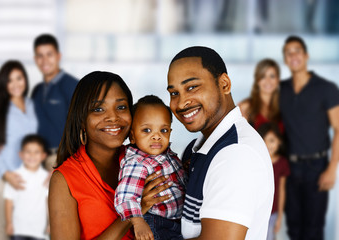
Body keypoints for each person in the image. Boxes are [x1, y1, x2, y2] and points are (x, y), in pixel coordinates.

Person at [48, 71, 172, 240]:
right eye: (98, 109)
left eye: (121, 107)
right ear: (82, 120)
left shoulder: (145, 160)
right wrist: (135, 210)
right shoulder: (64, 180)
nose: (113, 117)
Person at [167, 46, 274, 239]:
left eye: (191, 87)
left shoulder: (236, 153)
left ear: (224, 84)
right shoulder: (197, 149)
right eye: (174, 93)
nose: (181, 103)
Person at [280, 35, 339, 240]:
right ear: (285, 58)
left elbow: (338, 128)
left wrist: (332, 168)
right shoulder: (282, 90)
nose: (293, 55)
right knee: (294, 229)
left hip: (317, 168)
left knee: (313, 231)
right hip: (290, 169)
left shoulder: (326, 88)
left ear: (306, 55)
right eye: (289, 52)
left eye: (297, 51)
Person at [114, 95, 186, 240]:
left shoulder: (167, 155)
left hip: (176, 221)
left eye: (163, 130)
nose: (156, 136)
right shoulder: (137, 163)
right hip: (156, 222)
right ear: (132, 137)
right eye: (147, 130)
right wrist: (138, 221)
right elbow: (125, 196)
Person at [0, 60, 38, 240]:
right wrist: (6, 174)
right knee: (5, 227)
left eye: (19, 78)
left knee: (25, 228)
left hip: (28, 177)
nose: (15, 84)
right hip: (6, 177)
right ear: (3, 84)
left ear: (25, 79)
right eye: (10, 80)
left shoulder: (31, 105)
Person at [31, 33, 78, 171]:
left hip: (61, 158)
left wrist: (65, 161)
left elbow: (81, 127)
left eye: (49, 54)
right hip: (37, 159)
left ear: (58, 56)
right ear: (35, 59)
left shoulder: (73, 86)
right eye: (40, 55)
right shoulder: (37, 90)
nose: (44, 60)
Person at [4, 134, 49, 240]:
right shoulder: (15, 176)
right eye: (28, 151)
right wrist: (9, 223)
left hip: (39, 231)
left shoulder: (46, 178)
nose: (32, 155)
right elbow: (8, 202)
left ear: (43, 156)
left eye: (36, 152)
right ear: (21, 154)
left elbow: (48, 202)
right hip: (19, 229)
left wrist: (50, 224)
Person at [257, 123, 290, 240]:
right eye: (264, 140)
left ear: (279, 142)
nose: (267, 145)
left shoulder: (282, 163)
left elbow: (282, 189)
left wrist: (280, 216)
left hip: (273, 213)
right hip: (256, 211)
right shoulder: (256, 161)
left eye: (271, 140)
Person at [238, 58, 283, 132]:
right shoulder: (245, 107)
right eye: (263, 76)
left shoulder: (284, 106)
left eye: (272, 76)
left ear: (278, 79)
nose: (268, 81)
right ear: (257, 80)